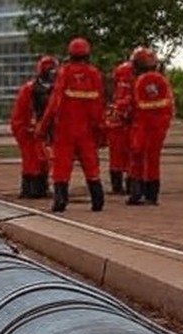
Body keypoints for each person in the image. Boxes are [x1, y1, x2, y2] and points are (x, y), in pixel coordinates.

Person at [36, 37, 105, 213]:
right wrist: (101, 130)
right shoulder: (94, 74)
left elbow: (54, 104)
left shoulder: (65, 73)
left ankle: (60, 200)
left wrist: (43, 127)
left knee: (61, 165)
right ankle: (98, 200)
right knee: (91, 164)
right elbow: (99, 105)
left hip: (65, 128)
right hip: (87, 130)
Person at [126, 47, 173, 205]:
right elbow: (169, 106)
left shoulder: (142, 80)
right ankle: (150, 194)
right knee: (152, 159)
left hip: (143, 124)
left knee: (138, 157)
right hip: (158, 125)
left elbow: (136, 104)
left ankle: (138, 193)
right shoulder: (162, 79)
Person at [10, 56, 57, 198]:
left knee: (43, 159)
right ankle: (32, 189)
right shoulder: (30, 89)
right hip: (26, 127)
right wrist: (31, 126)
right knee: (33, 159)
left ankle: (40, 186)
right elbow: (24, 111)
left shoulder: (53, 88)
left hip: (41, 127)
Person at [105, 59, 135, 194]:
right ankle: (129, 186)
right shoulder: (134, 82)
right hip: (125, 123)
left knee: (116, 157)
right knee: (130, 157)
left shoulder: (118, 84)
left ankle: (118, 186)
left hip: (116, 122)